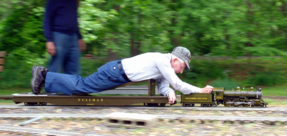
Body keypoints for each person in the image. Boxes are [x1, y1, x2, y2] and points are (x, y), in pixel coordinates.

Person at [31, 46, 214, 104]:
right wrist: (200, 90)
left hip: (117, 74)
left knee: (82, 88)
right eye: (182, 66)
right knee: (82, 86)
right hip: (114, 72)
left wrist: (168, 93)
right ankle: (44, 75)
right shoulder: (162, 60)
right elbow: (178, 83)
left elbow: (164, 85)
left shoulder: (164, 67)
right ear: (175, 59)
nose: (181, 70)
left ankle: (47, 80)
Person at [43, 0, 86, 75]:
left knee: (74, 66)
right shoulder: (53, 0)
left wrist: (80, 38)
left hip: (73, 37)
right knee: (56, 66)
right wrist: (49, 40)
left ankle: (72, 89)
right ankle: (51, 89)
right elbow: (47, 21)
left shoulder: (72, 1)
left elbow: (75, 21)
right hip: (59, 36)